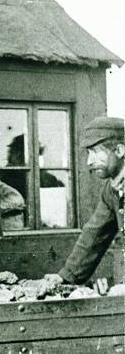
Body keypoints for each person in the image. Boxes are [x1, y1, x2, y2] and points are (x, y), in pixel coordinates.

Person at [45, 116, 125, 296]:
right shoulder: (111, 189)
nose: (89, 162)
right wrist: (66, 277)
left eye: (96, 152)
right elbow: (95, 234)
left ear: (119, 150)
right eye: (89, 153)